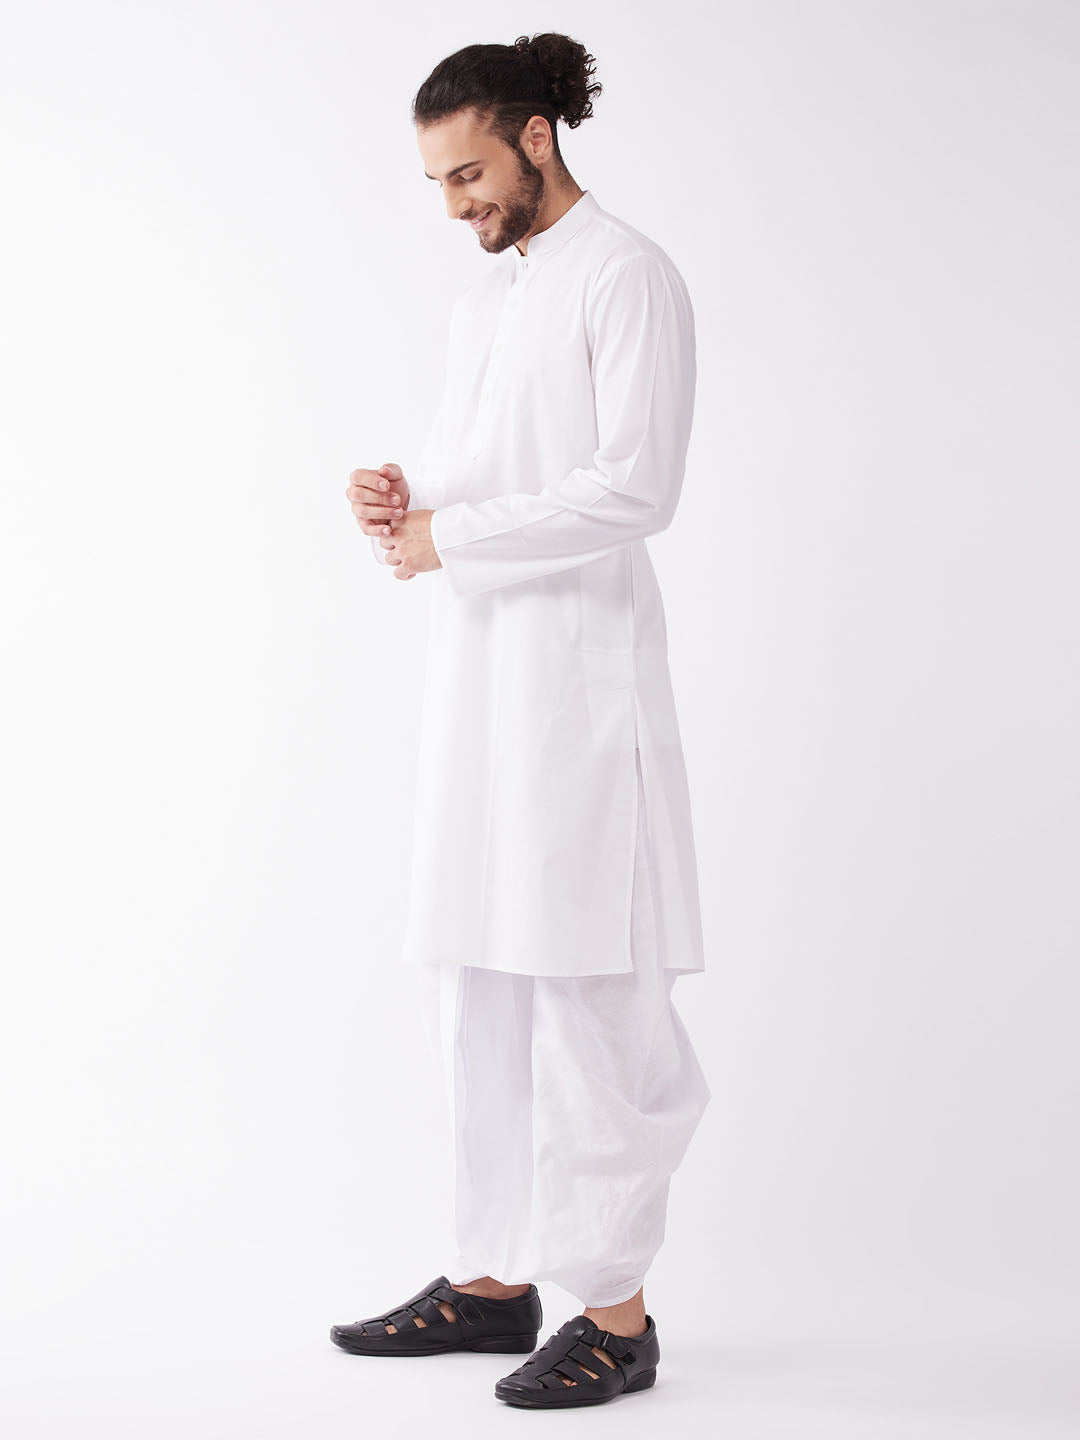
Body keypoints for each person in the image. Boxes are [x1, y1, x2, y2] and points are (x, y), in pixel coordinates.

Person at [335, 32, 711, 1409]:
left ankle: (617, 1315)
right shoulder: (490, 298)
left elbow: (636, 486)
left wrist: (457, 535)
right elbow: (489, 477)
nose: (456, 204)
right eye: (439, 183)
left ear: (538, 137)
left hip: (578, 694)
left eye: (469, 174)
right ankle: (494, 1280)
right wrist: (408, 500)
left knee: (590, 991)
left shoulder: (627, 275)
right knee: (476, 985)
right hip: (480, 686)